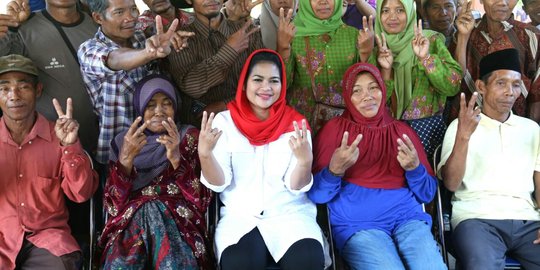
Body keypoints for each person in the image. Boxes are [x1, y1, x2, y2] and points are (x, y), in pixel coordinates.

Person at [308, 62, 445, 269]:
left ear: (383, 90)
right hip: (358, 226)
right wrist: (334, 171)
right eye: (357, 90)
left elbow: (427, 194)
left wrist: (415, 170)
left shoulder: (401, 131)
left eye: (374, 87)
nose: (368, 96)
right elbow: (317, 196)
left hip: (408, 219)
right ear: (347, 97)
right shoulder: (335, 131)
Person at [198, 49, 326, 269]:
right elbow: (219, 184)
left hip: (290, 215)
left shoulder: (296, 124)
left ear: (282, 85)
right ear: (244, 83)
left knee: (308, 260)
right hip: (241, 217)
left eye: (274, 81)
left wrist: (305, 162)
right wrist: (205, 155)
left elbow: (296, 188)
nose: (266, 88)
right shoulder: (224, 123)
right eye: (258, 79)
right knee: (239, 263)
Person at [438, 48, 540, 269]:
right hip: (476, 218)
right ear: (481, 87)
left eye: (515, 84)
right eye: (501, 83)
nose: (510, 92)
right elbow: (451, 183)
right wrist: (464, 137)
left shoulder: (532, 129)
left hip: (528, 221)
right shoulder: (460, 126)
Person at [99, 74, 212, 269]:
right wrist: (126, 160)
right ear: (140, 107)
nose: (159, 111)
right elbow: (112, 207)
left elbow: (201, 201)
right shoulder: (122, 142)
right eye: (150, 105)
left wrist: (177, 158)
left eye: (166, 104)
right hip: (130, 224)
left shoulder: (189, 136)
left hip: (180, 223)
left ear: (175, 107)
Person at [0, 54, 98, 269]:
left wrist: (70, 147)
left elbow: (81, 194)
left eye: (23, 86)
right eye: (4, 88)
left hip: (49, 241)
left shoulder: (59, 136)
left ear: (38, 90)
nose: (13, 95)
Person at [78, 0, 192, 164]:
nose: (130, 17)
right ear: (98, 17)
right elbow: (116, 59)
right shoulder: (89, 50)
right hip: (119, 152)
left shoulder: (140, 37)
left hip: (160, 147)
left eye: (133, 9)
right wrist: (148, 53)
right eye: (119, 12)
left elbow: (153, 40)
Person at [362, 0, 462, 158]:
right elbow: (372, 105)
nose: (392, 17)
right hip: (388, 135)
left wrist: (426, 58)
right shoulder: (378, 50)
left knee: (423, 180)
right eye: (385, 11)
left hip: (427, 132)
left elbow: (453, 87)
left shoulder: (430, 41)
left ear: (410, 13)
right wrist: (386, 71)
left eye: (400, 10)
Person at [0, 0, 100, 155]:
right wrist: (11, 28)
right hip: (51, 150)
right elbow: (6, 69)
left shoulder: (97, 24)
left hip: (102, 143)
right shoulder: (24, 27)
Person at [164, 0, 263, 127]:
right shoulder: (179, 37)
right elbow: (192, 86)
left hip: (248, 124)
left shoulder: (248, 31)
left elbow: (264, 83)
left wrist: (226, 105)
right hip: (200, 131)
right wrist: (230, 50)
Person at [277, 0, 367, 132]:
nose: (323, 2)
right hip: (304, 128)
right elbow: (283, 85)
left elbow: (368, 86)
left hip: (346, 128)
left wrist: (366, 53)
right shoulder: (292, 36)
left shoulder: (354, 36)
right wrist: (283, 47)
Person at [452, 0, 540, 123]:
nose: (502, 2)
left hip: (516, 127)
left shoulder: (532, 37)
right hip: (468, 124)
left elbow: (537, 94)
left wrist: (529, 131)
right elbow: (455, 81)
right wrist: (463, 37)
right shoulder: (465, 31)